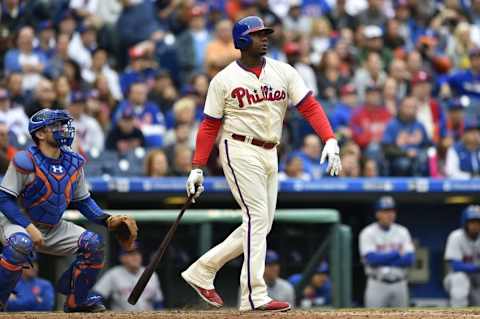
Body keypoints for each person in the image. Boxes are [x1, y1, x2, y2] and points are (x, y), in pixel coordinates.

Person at [181, 16, 341, 312]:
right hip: (238, 148)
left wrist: (329, 138)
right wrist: (197, 166)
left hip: (270, 150)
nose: (264, 38)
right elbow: (208, 126)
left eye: (265, 33)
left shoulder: (283, 71)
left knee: (260, 225)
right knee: (256, 217)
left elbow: (309, 105)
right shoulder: (225, 79)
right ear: (242, 41)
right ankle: (254, 295)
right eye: (257, 35)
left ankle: (202, 270)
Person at [0, 109, 138, 312]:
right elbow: (4, 199)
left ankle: (77, 300)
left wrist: (106, 220)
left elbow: (83, 201)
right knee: (21, 243)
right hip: (17, 222)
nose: (63, 129)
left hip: (52, 226)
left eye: (63, 124)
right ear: (40, 134)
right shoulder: (25, 160)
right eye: (55, 126)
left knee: (93, 243)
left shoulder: (74, 161)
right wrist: (28, 227)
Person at [359, 196, 415, 308]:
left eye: (392, 211)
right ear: (377, 214)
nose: (390, 214)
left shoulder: (402, 231)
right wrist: (397, 254)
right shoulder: (368, 232)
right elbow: (371, 259)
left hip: (400, 283)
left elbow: (409, 260)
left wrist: (383, 259)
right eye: (385, 211)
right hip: (377, 283)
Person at [94, 243, 163, 311]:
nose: (135, 256)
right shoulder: (113, 274)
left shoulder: (152, 275)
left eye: (137, 253)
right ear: (122, 258)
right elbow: (95, 297)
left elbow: (158, 302)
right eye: (131, 254)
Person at [444, 205, 480, 307]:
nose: (476, 225)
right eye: (472, 222)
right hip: (457, 278)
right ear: (465, 223)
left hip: (477, 280)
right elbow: (456, 266)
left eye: (478, 222)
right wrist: (477, 267)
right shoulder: (456, 236)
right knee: (460, 279)